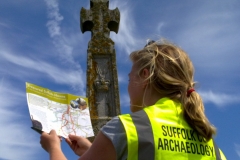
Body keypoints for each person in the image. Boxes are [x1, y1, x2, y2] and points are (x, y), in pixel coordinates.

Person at [40, 40, 227, 160]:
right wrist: (97, 150)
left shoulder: (128, 128)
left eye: (130, 79)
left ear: (144, 77)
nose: (128, 87)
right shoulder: (212, 147)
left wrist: (54, 147)